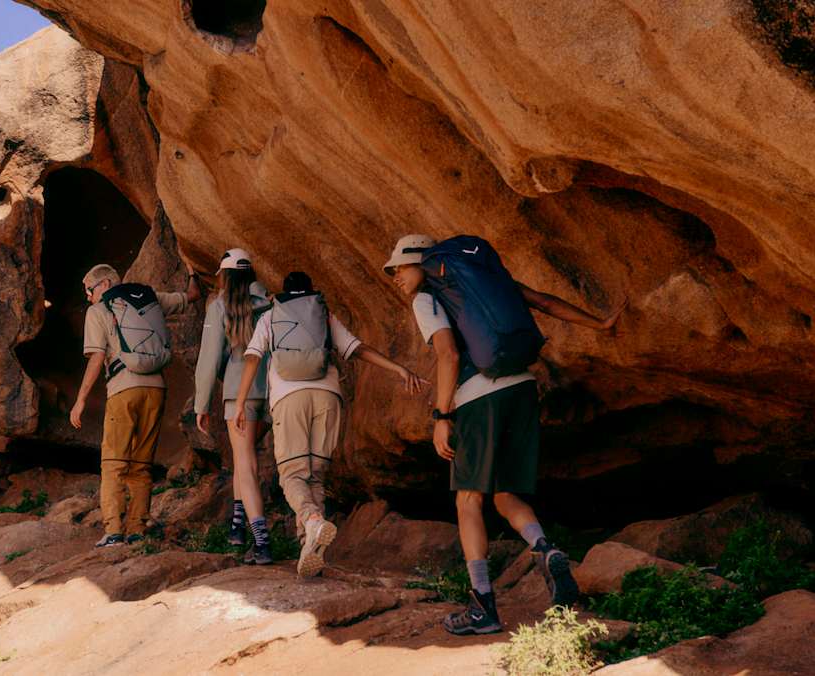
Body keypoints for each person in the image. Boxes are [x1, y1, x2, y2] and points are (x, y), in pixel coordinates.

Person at [384, 234, 627, 635]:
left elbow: (449, 354)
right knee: (505, 493)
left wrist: (442, 416)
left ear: (420, 263)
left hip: (479, 397)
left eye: (399, 267)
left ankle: (483, 606)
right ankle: (544, 549)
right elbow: (543, 301)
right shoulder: (483, 280)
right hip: (522, 388)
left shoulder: (427, 298)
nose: (395, 275)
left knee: (467, 499)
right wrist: (598, 322)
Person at [233, 271, 426, 577]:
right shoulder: (323, 315)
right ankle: (310, 549)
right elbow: (357, 349)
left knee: (292, 475)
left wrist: (241, 401)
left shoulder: (271, 317)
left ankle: (311, 521)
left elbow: (253, 358)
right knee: (316, 477)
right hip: (328, 398)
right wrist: (398, 369)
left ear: (282, 294)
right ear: (311, 292)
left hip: (289, 398)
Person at [71, 262, 202, 547]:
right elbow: (191, 296)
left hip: (123, 389)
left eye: (90, 290)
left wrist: (80, 399)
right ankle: (136, 530)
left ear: (105, 284)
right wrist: (193, 272)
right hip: (156, 389)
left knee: (114, 462)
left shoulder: (99, 311)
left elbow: (96, 358)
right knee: (141, 464)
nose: (89, 296)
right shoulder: (151, 297)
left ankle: (114, 531)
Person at [194, 248, 275, 564]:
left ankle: (262, 540)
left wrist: (202, 402)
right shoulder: (267, 304)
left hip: (237, 394)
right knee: (246, 460)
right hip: (268, 390)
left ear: (224, 276)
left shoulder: (219, 307)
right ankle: (238, 528)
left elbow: (209, 357)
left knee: (245, 463)